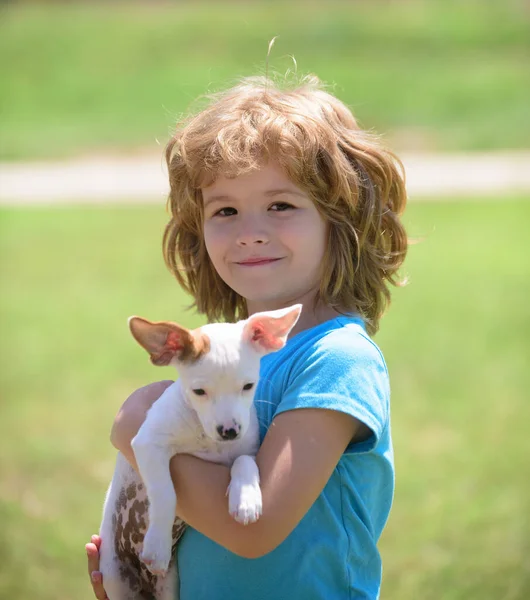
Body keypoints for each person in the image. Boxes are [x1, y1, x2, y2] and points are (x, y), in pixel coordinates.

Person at [86, 74, 408, 600]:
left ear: (341, 221)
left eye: (281, 205)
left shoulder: (337, 359)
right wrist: (136, 574)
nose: (249, 231)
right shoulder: (219, 362)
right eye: (226, 210)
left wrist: (135, 432)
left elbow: (253, 529)